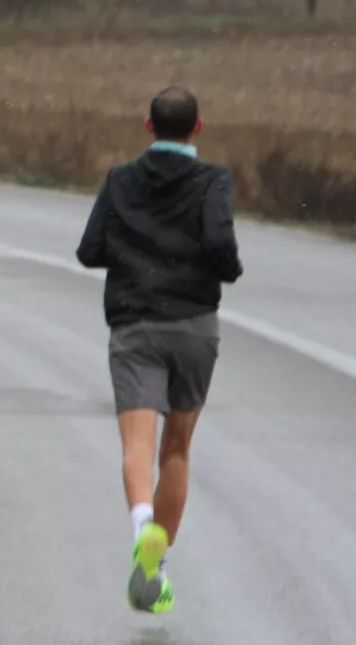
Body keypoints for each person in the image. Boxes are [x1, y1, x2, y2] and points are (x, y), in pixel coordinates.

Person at [75, 86, 241, 615]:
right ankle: (157, 564)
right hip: (194, 325)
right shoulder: (213, 181)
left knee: (136, 449)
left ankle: (143, 529)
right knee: (177, 450)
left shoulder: (121, 179)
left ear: (148, 127)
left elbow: (89, 250)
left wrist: (134, 254)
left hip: (135, 324)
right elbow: (219, 246)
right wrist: (225, 269)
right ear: (198, 128)